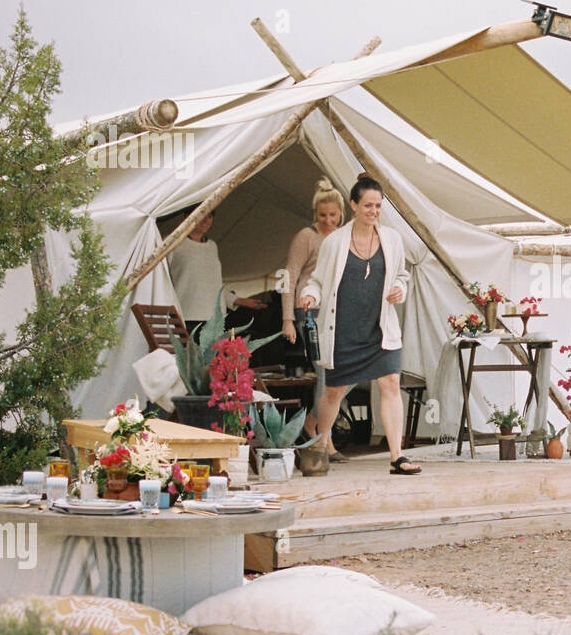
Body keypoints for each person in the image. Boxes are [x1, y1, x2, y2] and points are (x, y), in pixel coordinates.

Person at [298, 174, 422, 475]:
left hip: (380, 329)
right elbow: (316, 280)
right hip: (343, 329)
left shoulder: (392, 239)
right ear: (353, 205)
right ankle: (319, 445)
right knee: (334, 392)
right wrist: (310, 296)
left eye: (378, 206)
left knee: (391, 383)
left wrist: (399, 290)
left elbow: (402, 276)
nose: (373, 211)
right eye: (368, 205)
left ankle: (397, 456)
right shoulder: (335, 241)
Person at [280, 180, 345, 451]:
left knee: (348, 374)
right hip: (309, 310)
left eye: (333, 215)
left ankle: (314, 421)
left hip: (338, 310)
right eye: (322, 215)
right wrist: (287, 319)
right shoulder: (306, 236)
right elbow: (289, 275)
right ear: (314, 213)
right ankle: (323, 440)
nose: (329, 220)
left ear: (342, 212)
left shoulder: (345, 235)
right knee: (327, 371)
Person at [167, 208, 266, 336]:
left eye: (209, 216)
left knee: (212, 356)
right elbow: (162, 281)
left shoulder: (212, 246)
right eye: (202, 214)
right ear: (187, 216)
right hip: (185, 315)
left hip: (214, 318)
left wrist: (239, 301)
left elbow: (214, 284)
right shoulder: (172, 244)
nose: (206, 220)